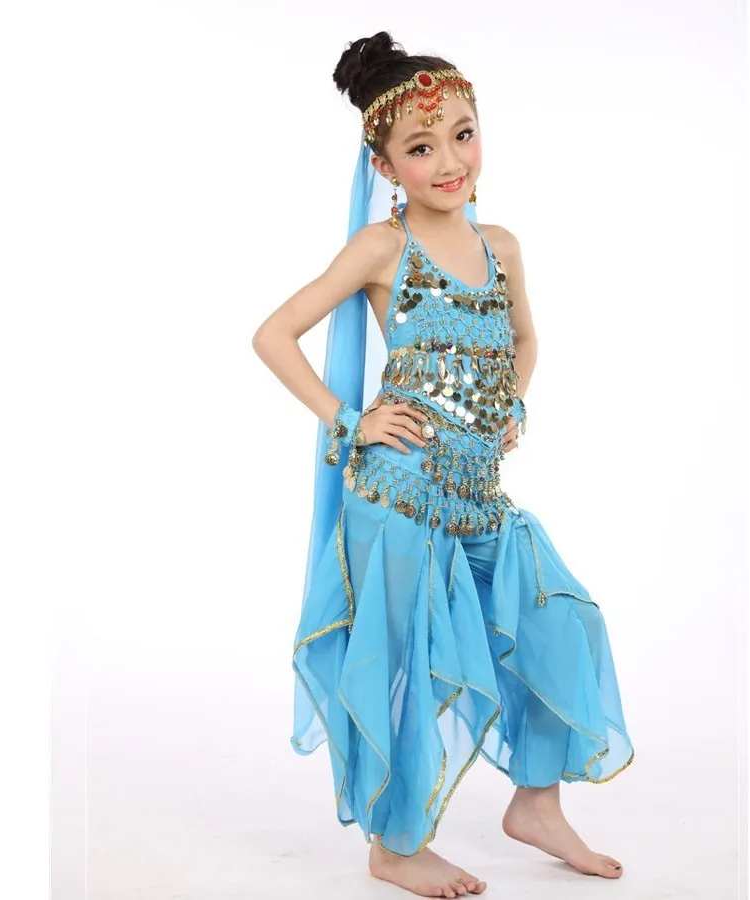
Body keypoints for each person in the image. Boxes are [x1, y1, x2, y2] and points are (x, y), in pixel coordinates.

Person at [251, 31, 634, 899]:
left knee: (560, 625)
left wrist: (513, 407)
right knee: (416, 661)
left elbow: (525, 340)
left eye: (463, 134)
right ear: (386, 167)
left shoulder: (503, 246)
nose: (450, 160)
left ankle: (536, 805)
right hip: (399, 498)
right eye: (421, 148)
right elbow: (273, 334)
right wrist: (352, 420)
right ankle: (394, 846)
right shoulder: (381, 250)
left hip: (478, 495)